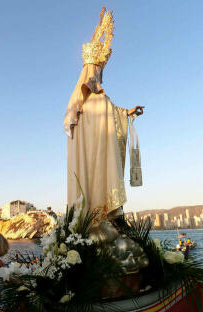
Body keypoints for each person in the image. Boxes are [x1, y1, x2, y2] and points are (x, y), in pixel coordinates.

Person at [64, 7, 143, 222]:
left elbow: (113, 113)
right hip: (88, 160)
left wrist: (128, 112)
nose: (98, 74)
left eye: (99, 71)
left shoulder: (100, 98)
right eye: (97, 70)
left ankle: (103, 213)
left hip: (100, 156)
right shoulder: (79, 103)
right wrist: (100, 29)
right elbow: (73, 119)